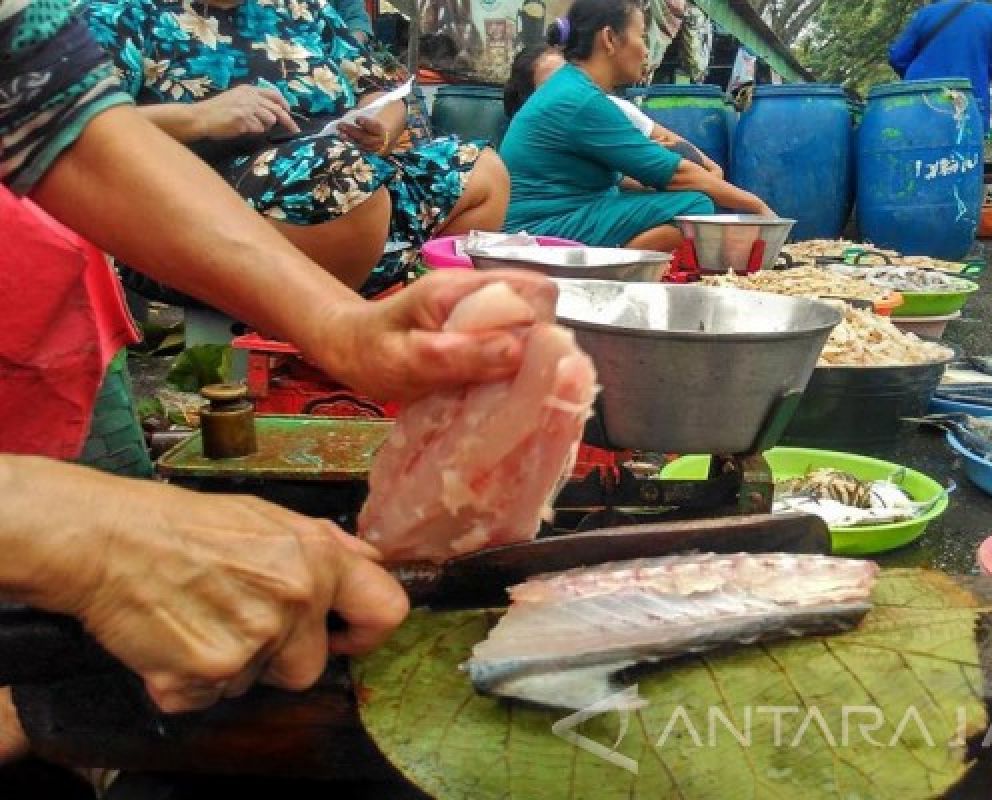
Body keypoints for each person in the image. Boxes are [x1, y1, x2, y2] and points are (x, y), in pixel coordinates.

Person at [0, 0, 559, 757]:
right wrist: (86, 536)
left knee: (93, 688)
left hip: (40, 313)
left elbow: (60, 116)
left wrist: (340, 326)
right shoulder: (125, 14)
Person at [85, 0, 509, 297]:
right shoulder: (121, 15)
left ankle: (420, 310)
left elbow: (383, 92)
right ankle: (330, 327)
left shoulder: (299, 9)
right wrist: (199, 117)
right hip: (201, 211)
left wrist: (378, 126)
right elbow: (81, 125)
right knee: (343, 176)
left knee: (481, 170)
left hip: (344, 180)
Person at [499, 0, 770, 252]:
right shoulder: (581, 100)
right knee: (695, 205)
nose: (645, 50)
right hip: (538, 230)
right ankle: (616, 271)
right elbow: (677, 174)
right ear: (609, 39)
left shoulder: (573, 89)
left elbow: (626, 176)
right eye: (641, 36)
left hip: (554, 217)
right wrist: (755, 206)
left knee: (684, 197)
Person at [503, 42, 724, 177]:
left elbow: (678, 147)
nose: (564, 86)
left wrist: (710, 172)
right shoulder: (532, 137)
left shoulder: (609, 106)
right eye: (551, 84)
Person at [888, 0, 992, 126]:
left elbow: (897, 57)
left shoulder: (925, 14)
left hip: (920, 99)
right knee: (966, 141)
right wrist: (975, 73)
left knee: (917, 141)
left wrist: (919, 77)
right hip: (969, 100)